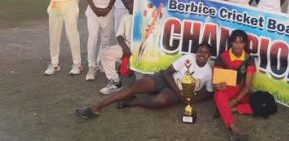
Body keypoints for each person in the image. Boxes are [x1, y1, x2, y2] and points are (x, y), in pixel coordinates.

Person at [75, 42, 214, 119]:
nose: (202, 54)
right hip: (166, 79)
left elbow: (208, 93)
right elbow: (167, 72)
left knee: (159, 102)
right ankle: (97, 107)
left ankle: (135, 101)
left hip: (175, 93)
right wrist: (179, 91)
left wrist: (191, 100)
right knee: (133, 87)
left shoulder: (208, 72)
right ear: (196, 52)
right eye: (200, 51)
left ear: (210, 56)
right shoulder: (188, 58)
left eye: (205, 52)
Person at [214, 30, 257, 141]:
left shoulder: (248, 59)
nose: (238, 45)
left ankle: (229, 109)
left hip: (240, 92)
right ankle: (234, 129)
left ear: (245, 44)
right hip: (227, 90)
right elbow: (216, 82)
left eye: (241, 42)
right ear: (231, 42)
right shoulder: (223, 57)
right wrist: (217, 85)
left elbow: (248, 86)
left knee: (258, 104)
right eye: (235, 42)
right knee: (219, 95)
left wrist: (236, 100)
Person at [97, 0, 134, 95]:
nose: (129, 5)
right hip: (128, 46)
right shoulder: (125, 18)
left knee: (142, 80)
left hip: (144, 49)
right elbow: (119, 35)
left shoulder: (145, 15)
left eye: (132, 2)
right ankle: (116, 83)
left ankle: (129, 68)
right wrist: (125, 48)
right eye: (127, 3)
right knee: (105, 53)